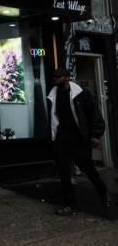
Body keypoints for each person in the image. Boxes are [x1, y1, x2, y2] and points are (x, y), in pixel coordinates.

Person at [47, 67, 111, 216]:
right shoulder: (53, 95)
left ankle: (103, 193)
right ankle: (70, 204)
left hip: (79, 139)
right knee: (63, 172)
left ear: (67, 78)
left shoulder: (81, 94)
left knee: (88, 169)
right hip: (62, 138)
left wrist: (96, 135)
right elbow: (53, 118)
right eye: (54, 77)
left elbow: (94, 114)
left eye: (58, 77)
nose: (55, 80)